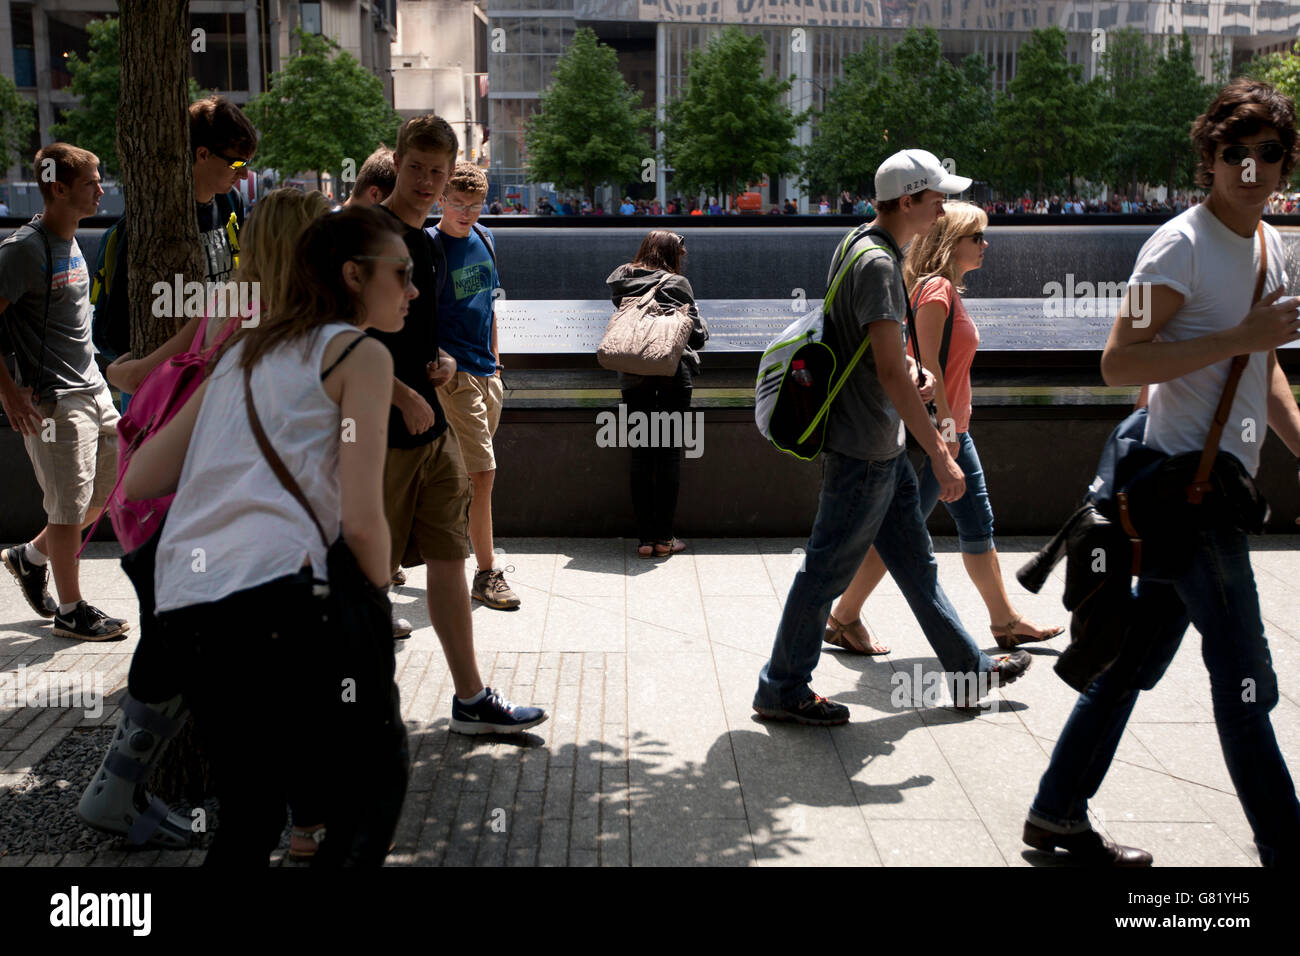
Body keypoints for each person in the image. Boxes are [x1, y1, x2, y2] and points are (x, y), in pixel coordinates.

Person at [1025, 78, 1300, 867]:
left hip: (1213, 486)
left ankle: (1055, 812)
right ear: (1210, 158)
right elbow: (1119, 362)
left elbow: (1263, 364)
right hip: (1186, 491)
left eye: (1269, 153)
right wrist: (1238, 332)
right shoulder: (1179, 245)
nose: (1251, 168)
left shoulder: (1268, 244)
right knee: (1248, 684)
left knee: (1130, 664)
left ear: (1286, 163)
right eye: (1233, 153)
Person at [121, 205, 407, 865]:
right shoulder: (358, 354)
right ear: (354, 278)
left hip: (186, 604)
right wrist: (376, 604)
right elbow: (364, 518)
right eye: (402, 274)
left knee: (248, 816)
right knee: (362, 784)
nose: (413, 289)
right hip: (278, 595)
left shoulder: (242, 351)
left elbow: (140, 479)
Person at [76, 187, 337, 853]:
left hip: (158, 521)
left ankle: (120, 788)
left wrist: (119, 369)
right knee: (262, 678)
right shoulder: (295, 327)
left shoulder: (225, 302)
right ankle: (296, 819)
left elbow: (145, 370)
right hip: (223, 529)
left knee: (171, 655)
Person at [752, 149, 1032, 725]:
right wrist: (940, 451)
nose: (943, 208)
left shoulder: (858, 242)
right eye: (937, 199)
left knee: (916, 566)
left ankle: (969, 668)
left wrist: (915, 371)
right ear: (909, 201)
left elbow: (880, 356)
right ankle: (782, 686)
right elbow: (884, 370)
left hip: (880, 446)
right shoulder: (880, 266)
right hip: (866, 449)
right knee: (824, 570)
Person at [824, 201, 1063, 656]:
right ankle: (842, 615)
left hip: (954, 429)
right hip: (941, 432)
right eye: (977, 237)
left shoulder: (938, 288)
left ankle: (1005, 620)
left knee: (976, 524)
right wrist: (945, 438)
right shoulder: (936, 291)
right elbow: (927, 363)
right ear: (952, 243)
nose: (985, 244)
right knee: (900, 532)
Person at [374, 114, 546, 733]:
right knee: (364, 573)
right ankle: (338, 717)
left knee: (447, 555)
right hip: (380, 436)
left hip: (431, 423)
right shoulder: (367, 234)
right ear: (399, 162)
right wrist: (399, 392)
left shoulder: (424, 243)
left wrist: (441, 364)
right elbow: (328, 339)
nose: (425, 181)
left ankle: (471, 698)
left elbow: (417, 330)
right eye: (417, 168)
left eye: (437, 171)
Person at [0, 143, 128, 641]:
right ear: (59, 189)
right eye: (92, 182)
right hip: (54, 400)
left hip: (93, 388)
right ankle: (70, 611)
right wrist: (9, 392)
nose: (101, 189)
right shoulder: (22, 250)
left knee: (103, 492)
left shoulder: (69, 237)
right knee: (68, 507)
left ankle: (30, 557)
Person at [101, 95, 258, 395]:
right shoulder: (153, 222)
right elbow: (118, 326)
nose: (244, 174)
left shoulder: (231, 203)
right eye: (237, 163)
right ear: (202, 154)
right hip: (158, 388)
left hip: (213, 379)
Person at [432, 162, 519, 609]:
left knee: (463, 477)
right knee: (483, 474)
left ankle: (405, 549)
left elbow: (490, 307)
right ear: (440, 200)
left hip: (488, 374)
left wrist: (498, 367)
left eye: (475, 204)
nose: (467, 212)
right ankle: (487, 573)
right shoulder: (430, 248)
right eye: (458, 203)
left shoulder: (486, 238)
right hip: (454, 377)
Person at [606, 230, 709, 558]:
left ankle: (645, 540)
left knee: (640, 454)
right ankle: (664, 537)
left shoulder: (622, 280)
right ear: (671, 254)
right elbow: (696, 334)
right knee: (666, 455)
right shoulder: (677, 284)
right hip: (670, 376)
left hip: (633, 378)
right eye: (681, 252)